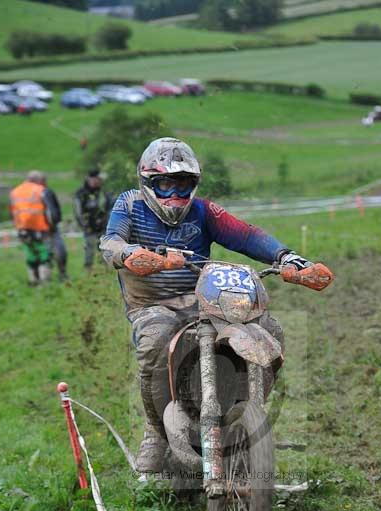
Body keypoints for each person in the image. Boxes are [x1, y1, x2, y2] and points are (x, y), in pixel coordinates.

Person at [100, 138, 332, 475]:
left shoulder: (203, 211)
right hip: (152, 303)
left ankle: (243, 409)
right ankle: (156, 432)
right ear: (148, 182)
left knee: (268, 328)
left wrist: (287, 257)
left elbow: (246, 234)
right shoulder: (130, 204)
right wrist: (128, 254)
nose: (174, 194)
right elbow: (110, 241)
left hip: (202, 297)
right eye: (165, 184)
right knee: (155, 342)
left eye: (183, 184)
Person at [9, 170, 58, 285]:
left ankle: (33, 279)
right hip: (40, 228)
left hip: (22, 229)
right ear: (38, 180)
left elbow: (12, 212)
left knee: (30, 253)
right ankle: (45, 281)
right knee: (44, 253)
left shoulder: (15, 192)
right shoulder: (40, 190)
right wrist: (52, 225)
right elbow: (50, 212)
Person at [73, 169, 110, 272]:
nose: (97, 181)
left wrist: (106, 221)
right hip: (88, 226)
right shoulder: (81, 193)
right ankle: (88, 271)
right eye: (95, 179)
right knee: (89, 249)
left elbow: (108, 207)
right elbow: (78, 212)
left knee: (105, 249)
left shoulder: (103, 192)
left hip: (103, 226)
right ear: (90, 179)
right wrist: (85, 226)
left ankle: (106, 271)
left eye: (99, 179)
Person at [39, 174, 68, 282]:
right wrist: (53, 223)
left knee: (46, 252)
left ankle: (47, 277)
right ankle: (60, 274)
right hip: (49, 228)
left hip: (39, 229)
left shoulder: (37, 193)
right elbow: (52, 211)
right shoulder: (46, 192)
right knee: (58, 251)